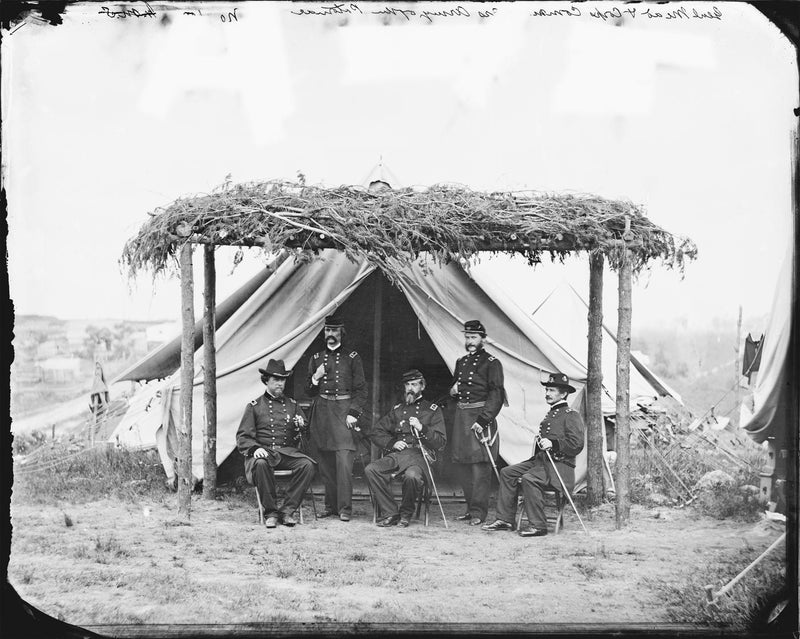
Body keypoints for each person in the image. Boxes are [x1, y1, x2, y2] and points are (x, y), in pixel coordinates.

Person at [482, 373, 585, 537]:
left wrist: (554, 444)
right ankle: (505, 519)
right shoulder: (552, 414)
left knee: (530, 478)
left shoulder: (571, 415)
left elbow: (577, 444)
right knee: (507, 473)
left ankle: (538, 526)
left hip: (559, 466)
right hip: (541, 462)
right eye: (547, 390)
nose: (547, 393)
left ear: (564, 393)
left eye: (552, 390)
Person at [236, 359, 316, 528]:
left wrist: (301, 427)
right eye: (276, 380)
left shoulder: (293, 405)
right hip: (264, 453)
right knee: (260, 464)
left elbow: (304, 435)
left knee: (307, 465)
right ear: (267, 381)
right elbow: (243, 437)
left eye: (283, 380)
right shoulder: (254, 407)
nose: (280, 384)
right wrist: (255, 448)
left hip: (286, 453)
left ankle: (287, 511)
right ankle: (271, 513)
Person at [365, 369, 447, 527]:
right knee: (371, 469)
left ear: (422, 387)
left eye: (414, 384)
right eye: (407, 385)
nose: (410, 388)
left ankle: (406, 513)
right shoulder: (397, 411)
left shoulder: (432, 411)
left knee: (412, 476)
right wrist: (392, 443)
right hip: (399, 454)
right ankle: (391, 512)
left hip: (420, 456)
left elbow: (440, 442)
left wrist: (421, 427)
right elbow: (376, 431)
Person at [305, 315, 368, 521]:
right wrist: (316, 377)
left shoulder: (352, 357)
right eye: (327, 331)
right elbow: (308, 391)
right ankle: (330, 506)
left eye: (334, 331)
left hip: (343, 411)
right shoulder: (316, 359)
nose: (330, 335)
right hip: (322, 412)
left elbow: (361, 390)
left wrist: (353, 412)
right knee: (325, 463)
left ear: (342, 332)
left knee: (344, 462)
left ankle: (345, 509)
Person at [449, 319, 506, 526]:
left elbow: (497, 394)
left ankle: (479, 512)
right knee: (463, 465)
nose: (470, 341)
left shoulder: (492, 363)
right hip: (462, 417)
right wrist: (453, 391)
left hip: (481, 418)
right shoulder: (461, 362)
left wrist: (483, 420)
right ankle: (469, 507)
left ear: (483, 339)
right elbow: (457, 391)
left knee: (480, 468)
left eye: (474, 337)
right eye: (467, 337)